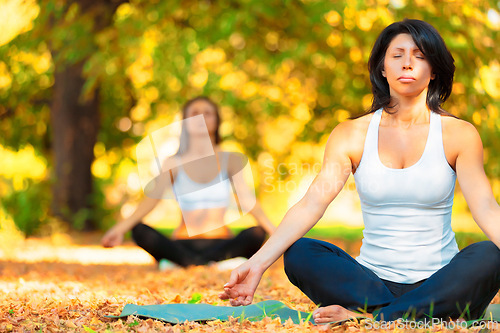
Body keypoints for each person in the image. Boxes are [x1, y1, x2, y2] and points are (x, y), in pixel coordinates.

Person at [219, 19, 500, 324]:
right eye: (397, 55)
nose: (407, 64)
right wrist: (258, 263)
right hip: (370, 285)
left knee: (490, 254)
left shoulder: (458, 134)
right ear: (382, 68)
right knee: (300, 252)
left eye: (419, 56)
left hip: (441, 283)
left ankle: (370, 318)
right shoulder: (351, 134)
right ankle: (400, 314)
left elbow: (485, 206)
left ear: (434, 70)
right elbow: (313, 203)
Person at [102, 96, 276, 267]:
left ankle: (187, 264)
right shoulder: (172, 162)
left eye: (207, 113)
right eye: (195, 113)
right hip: (182, 244)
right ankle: (206, 264)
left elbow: (248, 201)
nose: (201, 118)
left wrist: (277, 235)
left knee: (256, 233)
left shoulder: (230, 160)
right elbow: (151, 200)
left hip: (222, 243)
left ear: (217, 121)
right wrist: (120, 229)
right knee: (139, 231)